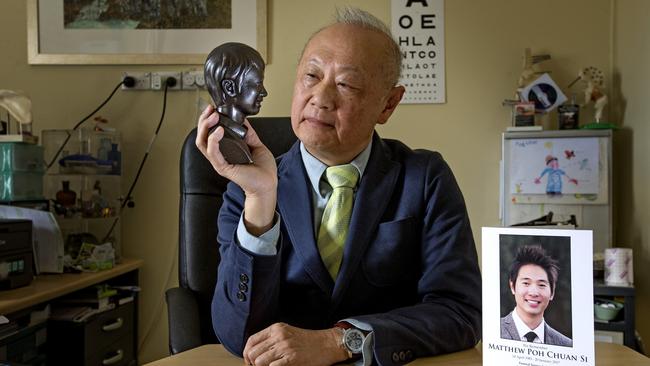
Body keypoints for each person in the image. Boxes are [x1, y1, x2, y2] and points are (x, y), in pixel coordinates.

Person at [196, 7, 481, 366]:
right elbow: (238, 336)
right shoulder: (246, 184)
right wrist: (261, 199)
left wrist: (342, 340)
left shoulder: (425, 178)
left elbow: (460, 313)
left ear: (388, 104)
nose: (321, 97)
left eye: (346, 84)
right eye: (311, 76)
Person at [204, 42, 268, 163]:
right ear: (229, 88)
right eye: (258, 84)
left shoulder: (240, 134)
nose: (264, 92)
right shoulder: (224, 141)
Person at [500, 245, 572, 347]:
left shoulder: (566, 345)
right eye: (526, 283)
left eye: (541, 285)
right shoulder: (492, 331)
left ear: (552, 292)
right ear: (512, 286)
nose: (533, 293)